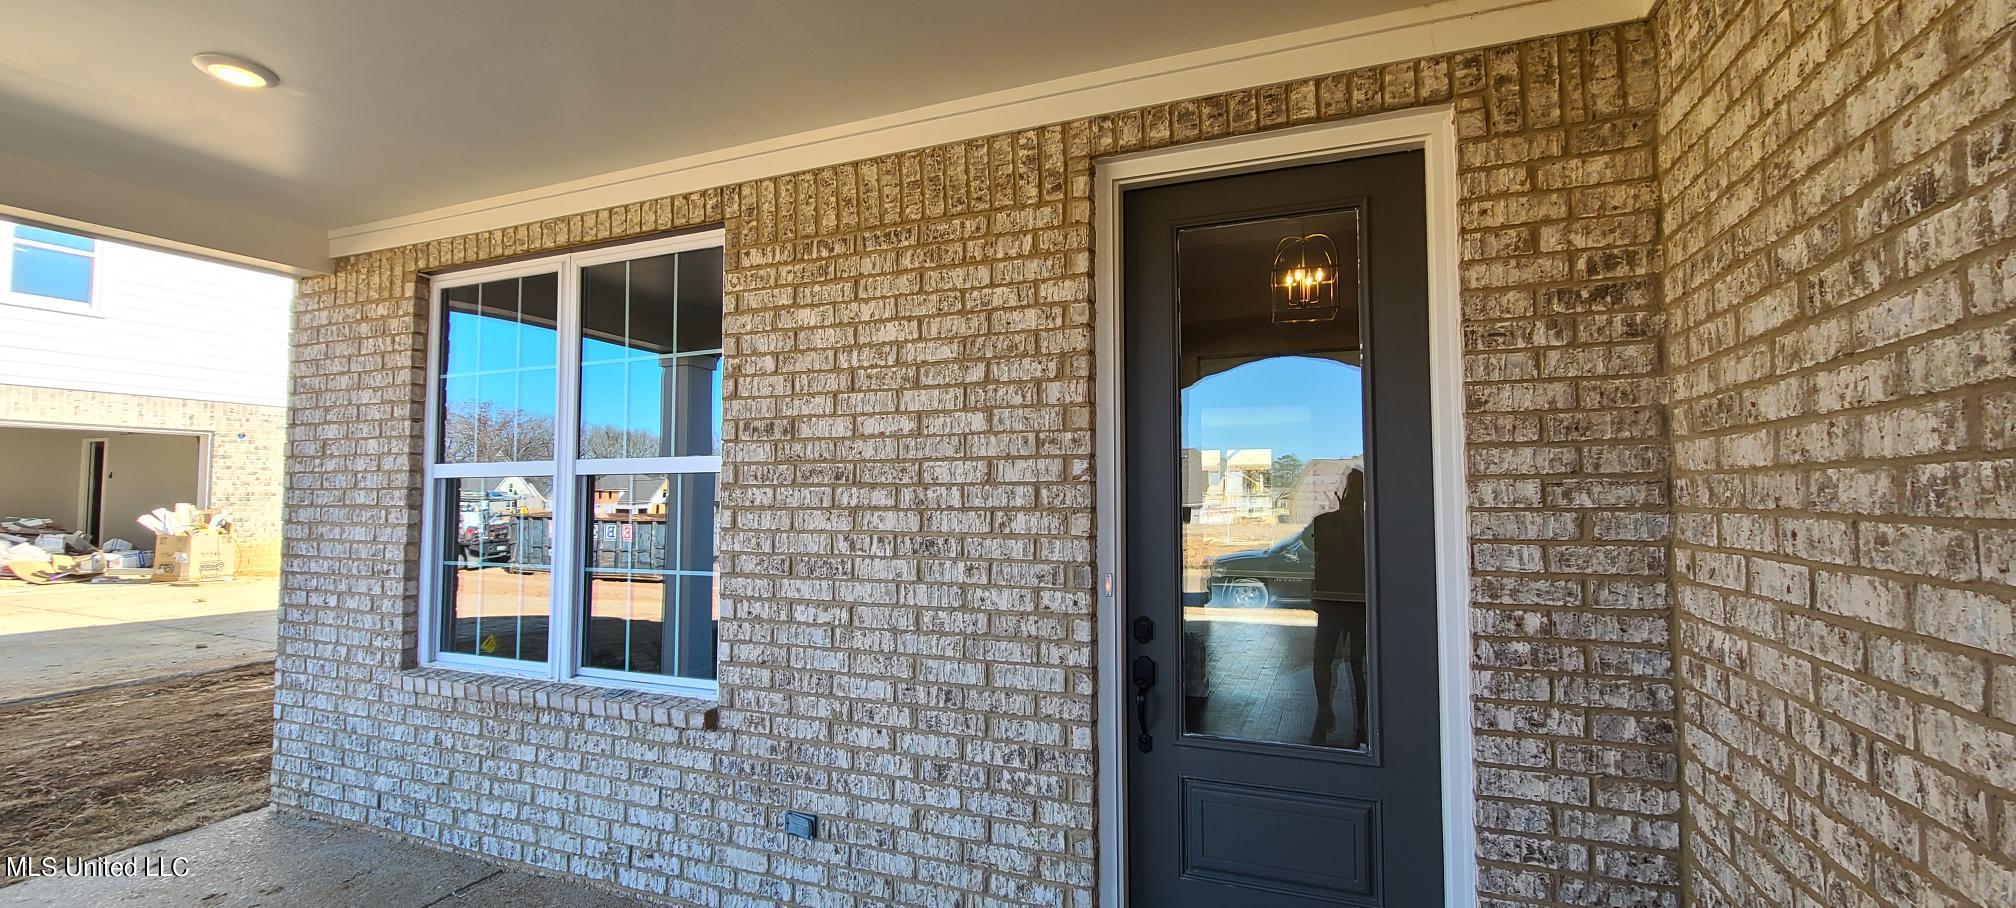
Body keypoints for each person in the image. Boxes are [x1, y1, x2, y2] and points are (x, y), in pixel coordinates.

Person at [1307, 467, 1367, 747]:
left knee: (1325, 659)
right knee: (1357, 664)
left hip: (1335, 603)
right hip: (1357, 604)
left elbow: (1312, 546)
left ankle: (1324, 710)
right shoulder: (1369, 524)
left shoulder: (1325, 521)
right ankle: (1362, 724)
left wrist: (1334, 510)